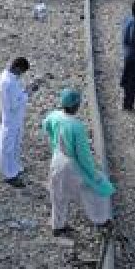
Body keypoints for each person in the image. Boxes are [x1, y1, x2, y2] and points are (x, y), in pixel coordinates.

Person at [43, 88, 114, 236]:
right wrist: (93, 173)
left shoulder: (54, 115)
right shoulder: (76, 126)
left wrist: (55, 142)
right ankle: (101, 219)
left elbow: (46, 126)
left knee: (58, 195)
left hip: (57, 159)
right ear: (76, 106)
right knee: (93, 190)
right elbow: (83, 155)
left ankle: (57, 226)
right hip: (71, 165)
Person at [0, 57, 33, 188]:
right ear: (17, 69)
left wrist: (24, 91)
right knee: (7, 148)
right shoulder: (8, 82)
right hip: (10, 119)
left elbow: (17, 95)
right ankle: (9, 175)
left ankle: (15, 168)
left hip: (16, 118)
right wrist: (28, 94)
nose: (21, 75)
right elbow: (14, 104)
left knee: (15, 146)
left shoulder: (11, 78)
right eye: (21, 72)